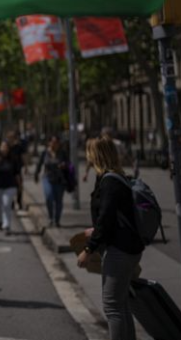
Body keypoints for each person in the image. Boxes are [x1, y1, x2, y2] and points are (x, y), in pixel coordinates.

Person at [78, 137, 144, 340]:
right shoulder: (113, 178)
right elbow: (110, 217)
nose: (87, 156)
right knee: (121, 304)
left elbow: (106, 219)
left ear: (97, 155)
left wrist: (88, 249)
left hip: (119, 251)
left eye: (89, 152)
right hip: (127, 248)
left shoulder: (109, 182)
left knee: (112, 307)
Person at [34, 135, 69, 227]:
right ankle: (50, 218)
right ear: (49, 143)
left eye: (56, 142)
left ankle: (57, 220)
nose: (54, 144)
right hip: (47, 178)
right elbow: (39, 164)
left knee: (58, 200)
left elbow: (69, 164)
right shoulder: (45, 152)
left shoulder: (63, 153)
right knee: (49, 197)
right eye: (52, 142)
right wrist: (36, 174)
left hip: (60, 179)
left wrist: (64, 165)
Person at [0, 140, 21, 235]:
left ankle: (7, 225)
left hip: (10, 185)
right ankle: (0, 220)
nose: (4, 148)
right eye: (2, 146)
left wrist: (20, 186)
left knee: (6, 204)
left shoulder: (13, 159)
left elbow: (17, 173)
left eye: (6, 146)